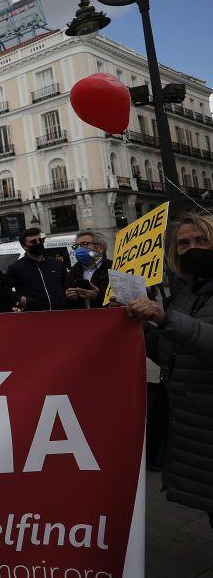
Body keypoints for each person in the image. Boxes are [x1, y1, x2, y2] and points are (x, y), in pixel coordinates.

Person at [126, 213, 213, 527]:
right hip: (195, 428)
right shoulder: (187, 294)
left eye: (202, 240)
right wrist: (136, 326)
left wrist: (165, 319)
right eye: (185, 243)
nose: (193, 248)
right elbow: (170, 354)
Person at [6, 227, 68, 311]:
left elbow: (67, 285)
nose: (38, 243)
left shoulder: (56, 264)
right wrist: (20, 299)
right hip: (33, 315)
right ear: (25, 246)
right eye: (34, 242)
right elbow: (5, 289)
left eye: (41, 240)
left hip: (59, 312)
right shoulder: (16, 268)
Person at [65, 230, 111, 310]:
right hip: (82, 319)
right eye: (76, 246)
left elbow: (121, 298)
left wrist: (98, 295)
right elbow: (64, 304)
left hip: (106, 317)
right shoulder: (73, 271)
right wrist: (69, 297)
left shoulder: (113, 268)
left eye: (84, 244)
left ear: (100, 248)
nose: (79, 249)